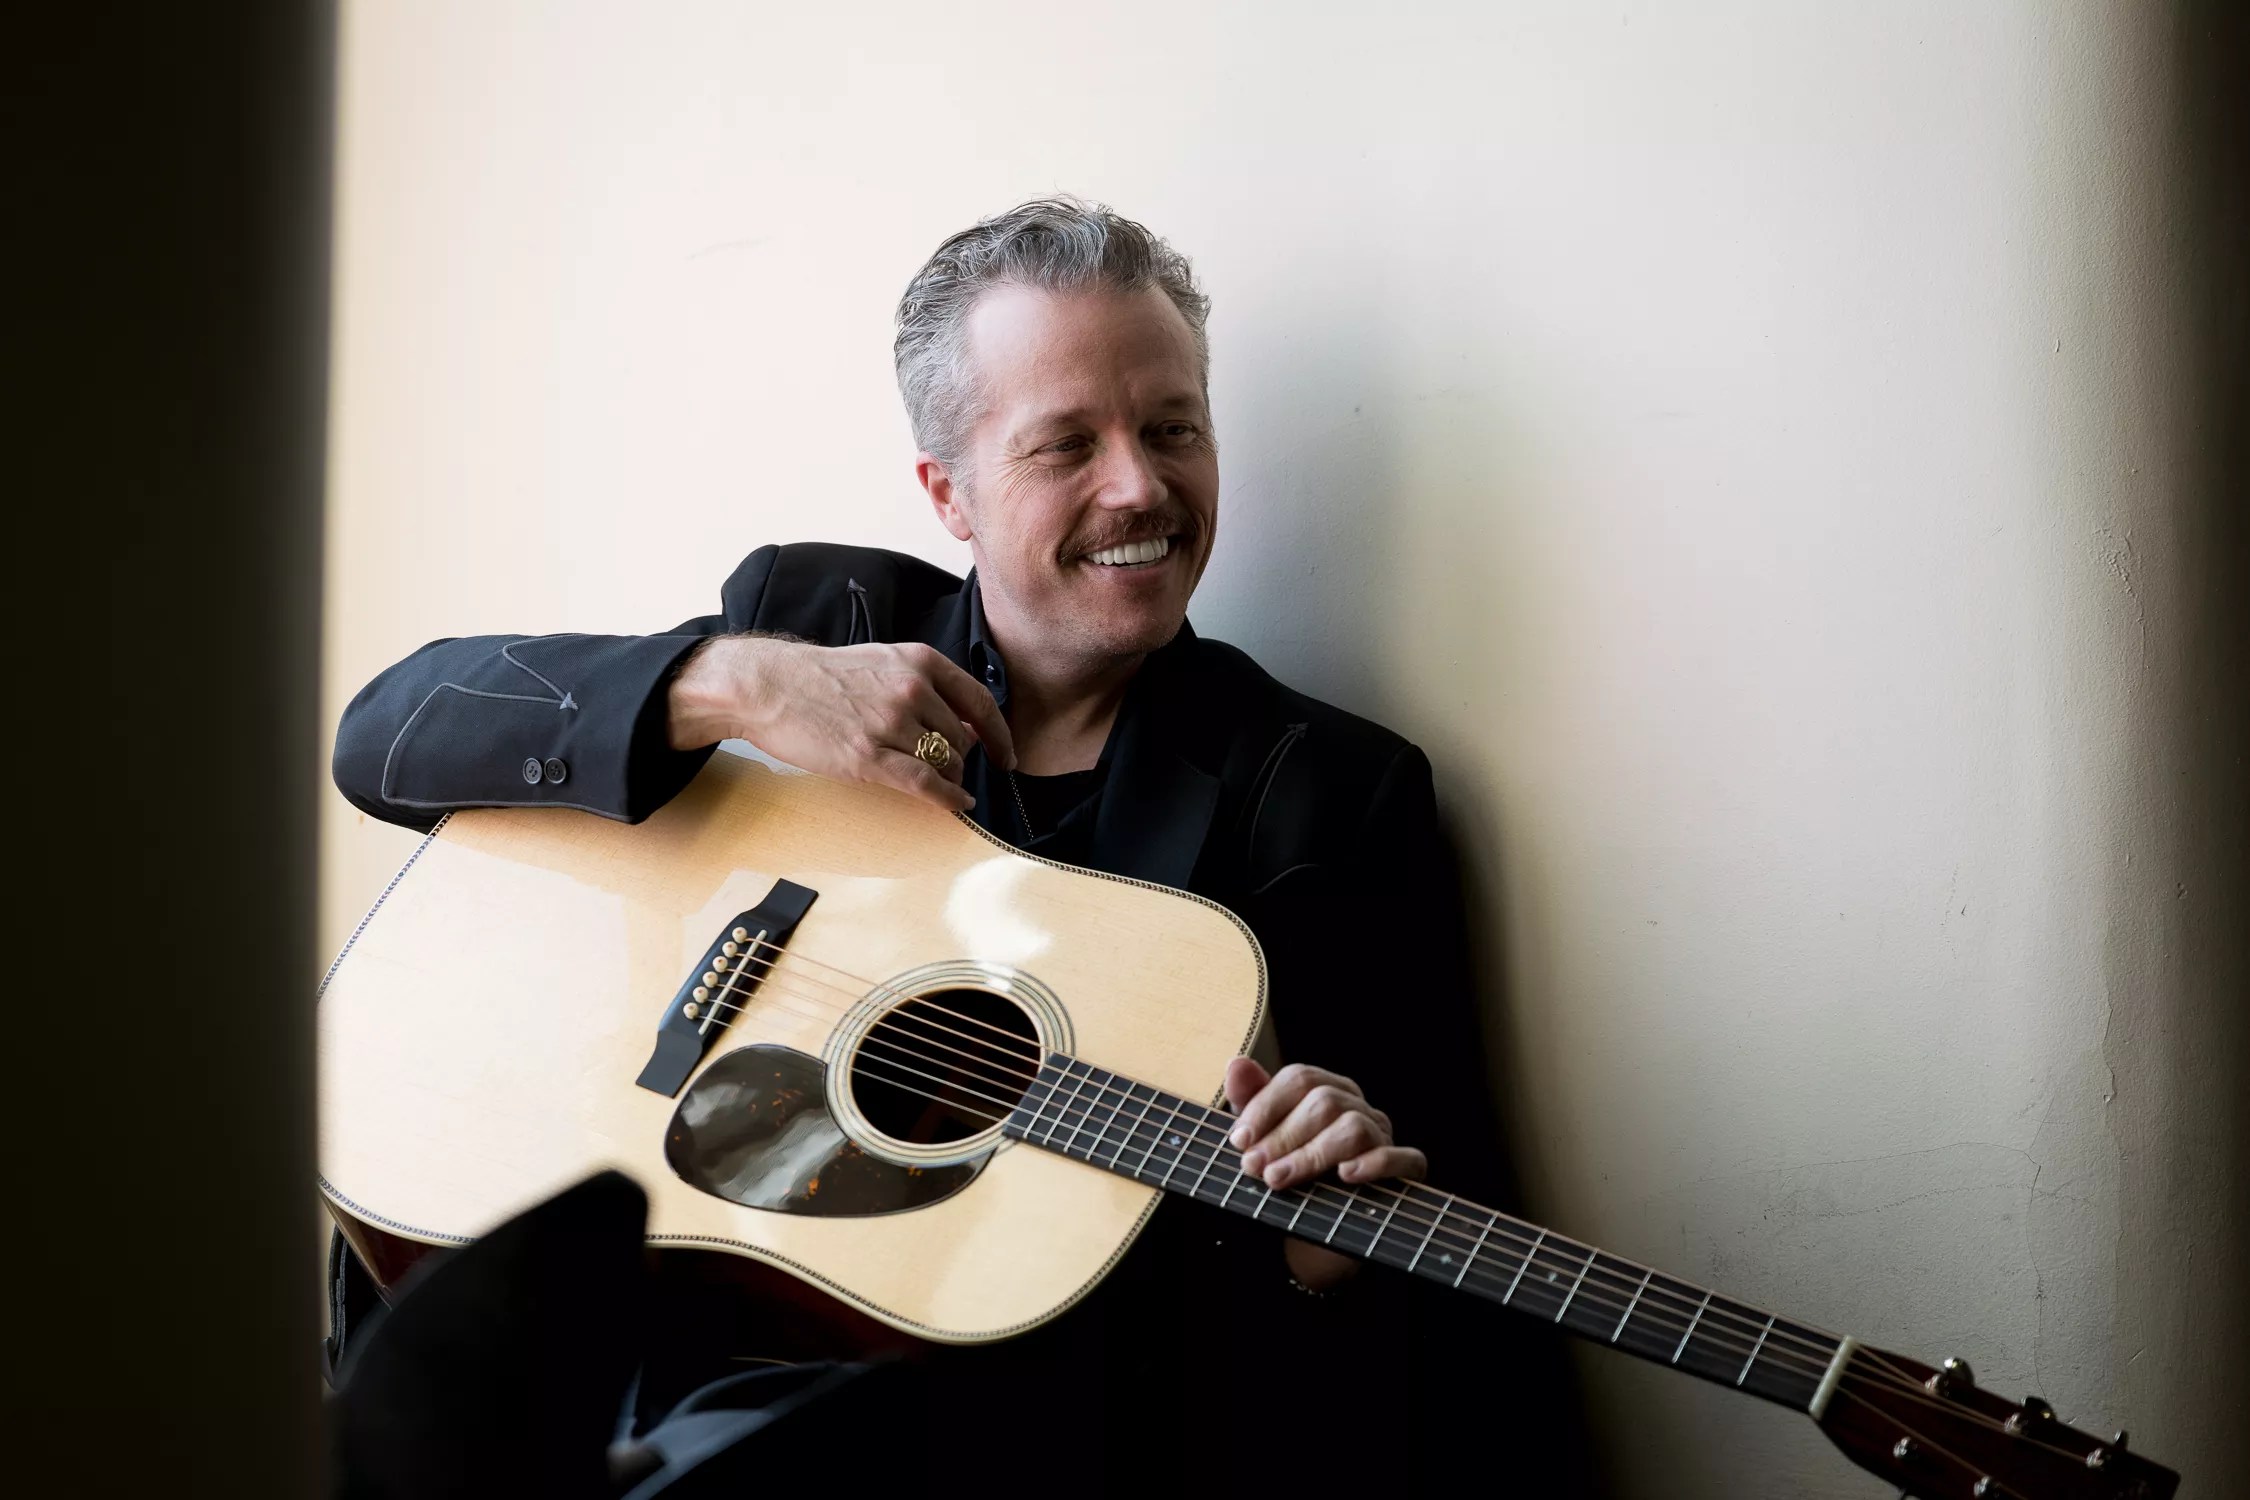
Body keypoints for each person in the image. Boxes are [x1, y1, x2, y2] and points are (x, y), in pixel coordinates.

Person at [331, 197, 1590, 1491]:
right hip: (665, 1314)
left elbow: (1423, 1294)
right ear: (950, 493)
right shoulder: (811, 617)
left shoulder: (1328, 794)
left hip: (1021, 1423)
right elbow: (383, 739)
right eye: (1065, 444)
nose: (1140, 486)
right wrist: (736, 684)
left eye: (1173, 429)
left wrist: (1321, 1247)